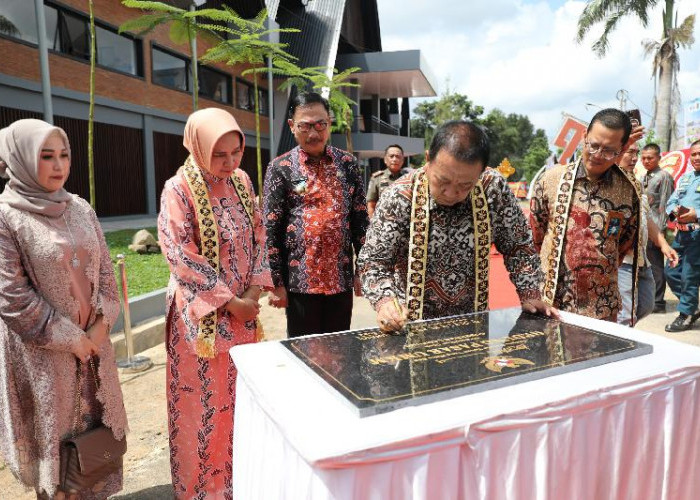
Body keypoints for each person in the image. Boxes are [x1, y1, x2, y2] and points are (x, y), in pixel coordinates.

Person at [0, 119, 127, 499]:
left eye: (64, 155)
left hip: (94, 349)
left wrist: (100, 329)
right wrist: (72, 339)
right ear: (19, 159)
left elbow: (106, 274)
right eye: (46, 156)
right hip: (45, 358)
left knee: (95, 450)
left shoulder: (81, 208)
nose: (59, 166)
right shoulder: (7, 216)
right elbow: (12, 296)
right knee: (58, 463)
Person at [158, 108, 272, 498]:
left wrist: (254, 292)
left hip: (244, 315)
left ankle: (239, 483)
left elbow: (259, 235)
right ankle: (201, 491)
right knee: (202, 407)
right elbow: (181, 254)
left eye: (236, 152)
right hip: (201, 321)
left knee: (239, 404)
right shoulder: (179, 190)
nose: (229, 163)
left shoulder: (241, 182)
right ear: (198, 146)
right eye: (219, 154)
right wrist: (230, 301)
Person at [357, 120, 556, 332]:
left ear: (480, 173)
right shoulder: (399, 196)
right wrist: (385, 301)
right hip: (410, 325)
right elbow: (374, 261)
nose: (451, 193)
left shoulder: (493, 188)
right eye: (442, 181)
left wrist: (530, 294)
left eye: (464, 186)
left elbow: (519, 247)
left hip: (473, 324)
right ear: (427, 160)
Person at [264, 92, 369, 337]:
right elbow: (271, 228)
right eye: (305, 126)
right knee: (304, 354)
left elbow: (361, 222)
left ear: (329, 123)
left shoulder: (348, 164)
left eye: (320, 124)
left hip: (339, 279)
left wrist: (362, 271)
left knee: (340, 348)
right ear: (292, 126)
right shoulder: (281, 168)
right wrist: (276, 283)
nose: (314, 133)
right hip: (300, 281)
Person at [530, 108, 642, 323]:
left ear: (621, 149)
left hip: (601, 305)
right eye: (593, 145)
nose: (598, 155)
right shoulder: (552, 180)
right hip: (552, 302)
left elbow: (625, 242)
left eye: (609, 150)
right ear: (583, 137)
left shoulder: (629, 190)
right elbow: (536, 235)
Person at [616, 145, 678, 326]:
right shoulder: (610, 184)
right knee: (625, 316)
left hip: (643, 256)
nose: (636, 159)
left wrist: (663, 243)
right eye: (631, 153)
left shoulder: (639, 182)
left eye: (638, 153)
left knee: (646, 305)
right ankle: (622, 346)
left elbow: (650, 215)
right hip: (623, 260)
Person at [664, 139, 700, 332]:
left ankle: (686, 314)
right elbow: (671, 202)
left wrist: (697, 215)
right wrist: (674, 211)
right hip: (681, 236)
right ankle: (691, 306)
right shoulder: (686, 178)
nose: (696, 157)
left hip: (697, 236)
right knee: (670, 271)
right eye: (693, 154)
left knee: (689, 276)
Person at [640, 143, 675, 313]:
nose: (646, 161)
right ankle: (649, 297)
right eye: (644, 158)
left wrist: (659, 233)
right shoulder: (643, 177)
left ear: (659, 158)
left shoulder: (664, 176)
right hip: (643, 228)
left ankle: (659, 302)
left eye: (650, 158)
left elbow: (666, 205)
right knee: (645, 264)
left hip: (655, 229)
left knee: (656, 265)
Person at [366, 144, 410, 217]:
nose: (394, 159)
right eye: (391, 156)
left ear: (402, 160)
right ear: (385, 160)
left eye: (398, 156)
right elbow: (371, 205)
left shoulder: (409, 178)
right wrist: (373, 224)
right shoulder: (377, 178)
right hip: (383, 224)